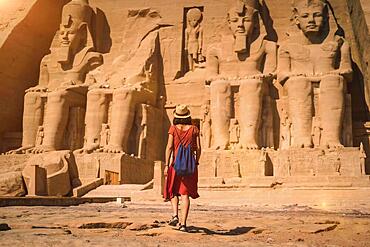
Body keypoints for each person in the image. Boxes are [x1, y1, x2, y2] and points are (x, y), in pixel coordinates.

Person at [164, 104, 201, 232]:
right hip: (189, 166)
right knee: (185, 195)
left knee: (173, 191)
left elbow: (169, 147)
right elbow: (199, 148)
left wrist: (166, 164)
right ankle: (183, 224)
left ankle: (175, 215)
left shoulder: (173, 129)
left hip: (175, 165)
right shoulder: (194, 129)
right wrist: (196, 162)